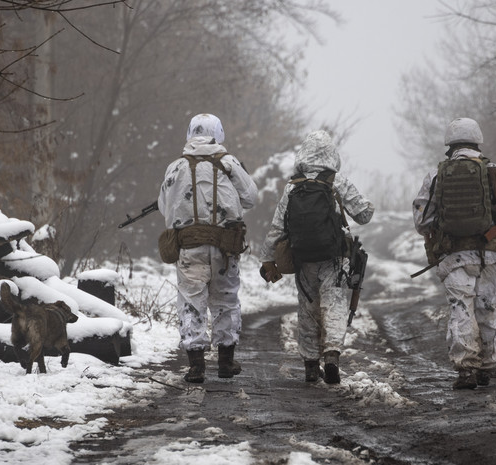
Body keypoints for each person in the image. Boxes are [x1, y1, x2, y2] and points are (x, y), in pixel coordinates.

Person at [259, 130, 374, 384]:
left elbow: (277, 228)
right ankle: (332, 355)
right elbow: (365, 214)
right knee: (333, 303)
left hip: (302, 259)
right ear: (331, 154)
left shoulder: (292, 187)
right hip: (334, 257)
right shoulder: (336, 182)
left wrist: (267, 259)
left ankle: (311, 365)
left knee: (307, 308)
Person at [412, 117, 496, 390]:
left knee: (461, 309)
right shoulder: (495, 172)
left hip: (454, 257)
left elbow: (421, 221)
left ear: (450, 144)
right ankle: (488, 366)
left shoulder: (437, 175)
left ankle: (466, 369)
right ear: (477, 140)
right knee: (487, 308)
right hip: (491, 255)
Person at [158, 113, 258, 383]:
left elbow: (163, 206)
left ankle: (196, 367)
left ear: (190, 133)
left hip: (189, 248)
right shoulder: (229, 164)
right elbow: (251, 198)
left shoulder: (175, 167)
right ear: (219, 133)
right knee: (226, 302)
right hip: (226, 247)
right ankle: (226, 363)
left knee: (192, 303)